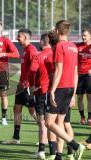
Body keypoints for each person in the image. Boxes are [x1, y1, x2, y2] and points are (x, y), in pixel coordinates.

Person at [46, 20, 85, 160]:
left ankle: (75, 145)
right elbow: (75, 72)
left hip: (61, 88)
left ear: (57, 30)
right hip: (69, 88)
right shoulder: (74, 46)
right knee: (59, 123)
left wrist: (52, 90)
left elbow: (58, 70)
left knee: (49, 122)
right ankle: (59, 155)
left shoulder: (60, 46)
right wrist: (73, 94)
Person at [2, 29, 37, 145]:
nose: (17, 38)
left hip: (27, 87)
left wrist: (29, 84)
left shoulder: (31, 50)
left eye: (19, 36)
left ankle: (47, 134)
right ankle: (16, 138)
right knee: (17, 109)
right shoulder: (25, 50)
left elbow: (34, 69)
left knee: (33, 112)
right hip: (21, 85)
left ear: (26, 37)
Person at [0, 20, 19, 126]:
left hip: (2, 71)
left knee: (3, 95)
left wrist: (4, 54)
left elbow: (16, 54)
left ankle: (3, 118)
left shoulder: (6, 41)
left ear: (1, 28)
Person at [28, 33, 54, 159]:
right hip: (56, 92)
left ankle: (41, 151)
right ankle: (58, 151)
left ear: (42, 42)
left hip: (41, 92)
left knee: (42, 122)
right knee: (58, 122)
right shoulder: (55, 54)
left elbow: (31, 72)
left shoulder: (38, 55)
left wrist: (32, 86)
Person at [76, 28, 91, 125]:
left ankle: (90, 117)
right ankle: (82, 117)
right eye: (82, 35)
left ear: (90, 36)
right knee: (80, 97)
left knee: (89, 97)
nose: (83, 37)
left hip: (89, 76)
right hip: (79, 75)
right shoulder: (77, 47)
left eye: (85, 35)